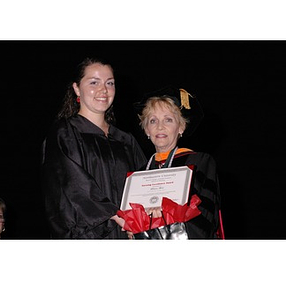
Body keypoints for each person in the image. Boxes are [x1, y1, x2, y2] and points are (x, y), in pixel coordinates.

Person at [41, 57, 147, 239]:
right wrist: (115, 214)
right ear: (76, 88)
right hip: (88, 235)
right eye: (93, 82)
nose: (103, 90)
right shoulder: (65, 133)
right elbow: (72, 185)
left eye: (110, 83)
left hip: (129, 234)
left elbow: (144, 182)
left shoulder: (125, 140)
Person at [132, 86, 224, 239]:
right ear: (147, 130)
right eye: (153, 120)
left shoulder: (199, 162)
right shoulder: (138, 175)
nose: (160, 126)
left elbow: (206, 217)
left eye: (168, 120)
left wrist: (163, 222)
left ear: (181, 127)